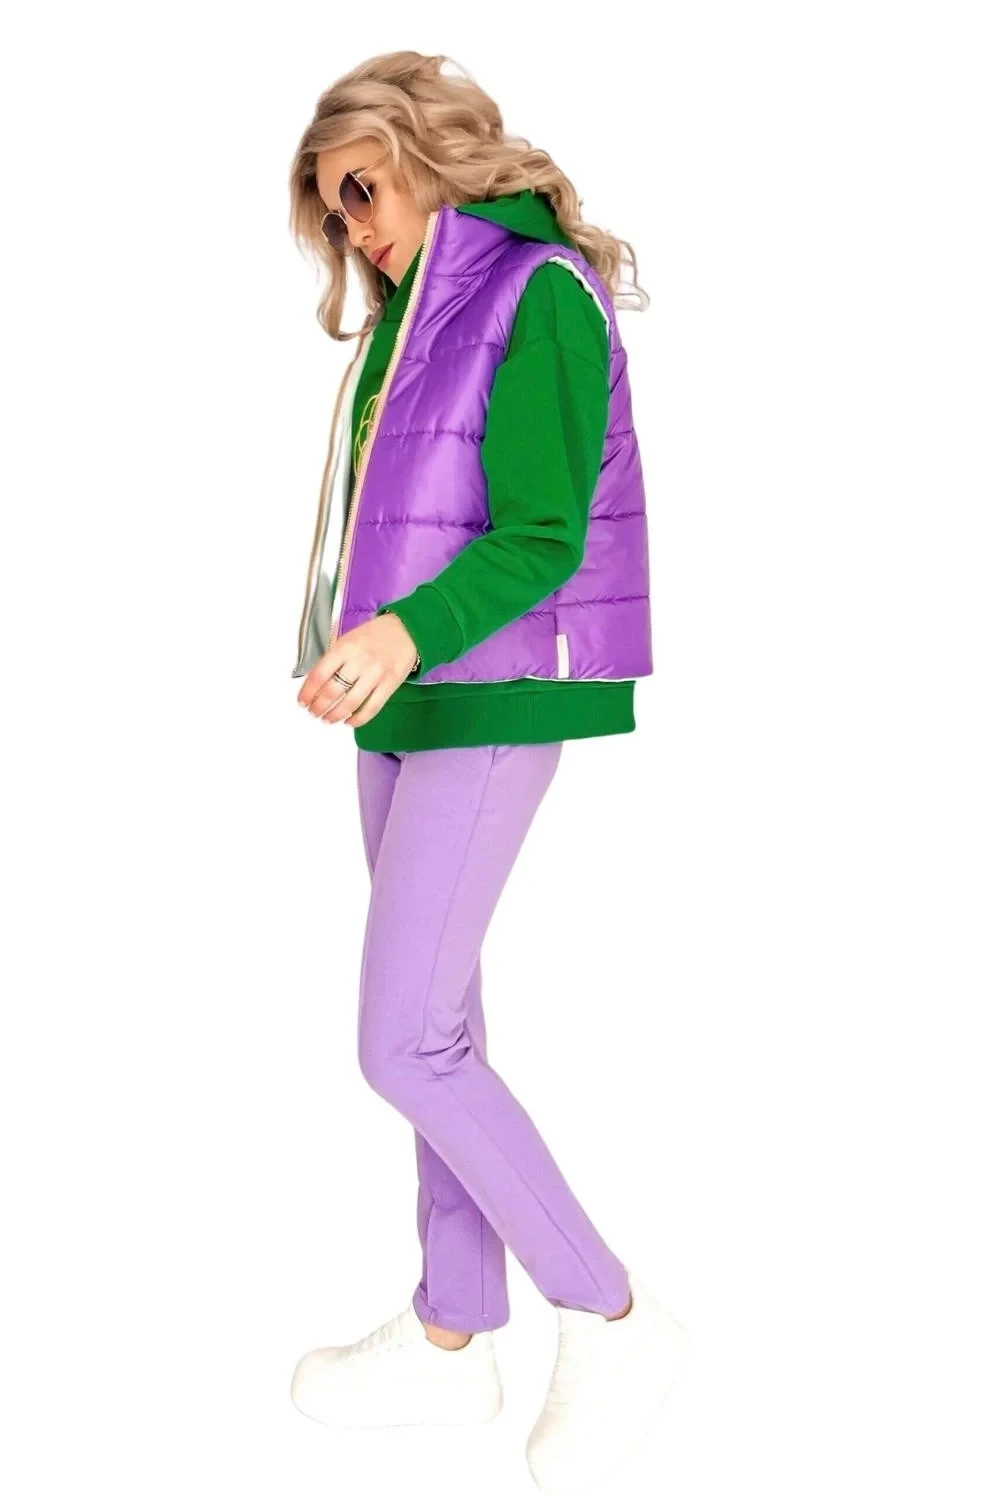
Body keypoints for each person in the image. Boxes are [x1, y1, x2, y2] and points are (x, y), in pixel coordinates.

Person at [285, 49, 692, 1494]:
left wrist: (400, 633)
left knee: (401, 1043)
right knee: (440, 1022)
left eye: (363, 190)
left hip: (494, 691)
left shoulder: (540, 295)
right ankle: (453, 1328)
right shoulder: (408, 321)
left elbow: (541, 533)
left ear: (428, 155)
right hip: (406, 703)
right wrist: (354, 648)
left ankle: (613, 1316)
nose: (353, 227)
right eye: (332, 210)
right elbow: (386, 518)